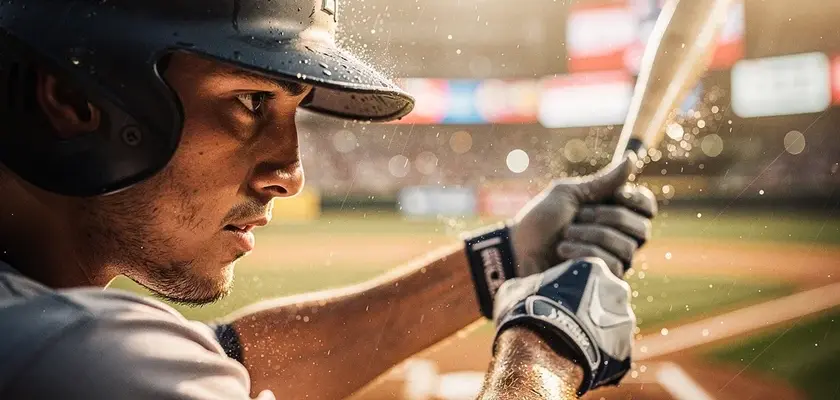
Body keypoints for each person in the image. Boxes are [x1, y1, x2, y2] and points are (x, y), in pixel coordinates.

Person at [0, 1, 656, 399]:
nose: (291, 174)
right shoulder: (65, 358)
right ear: (73, 97)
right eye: (250, 102)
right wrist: (546, 349)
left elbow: (228, 362)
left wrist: (504, 256)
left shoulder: (40, 329)